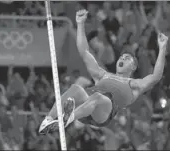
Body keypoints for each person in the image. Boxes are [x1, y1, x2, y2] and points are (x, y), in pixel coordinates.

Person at [39, 9, 168, 134]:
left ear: (133, 67)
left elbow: (156, 76)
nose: (122, 58)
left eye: (127, 58)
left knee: (99, 97)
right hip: (86, 107)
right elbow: (84, 52)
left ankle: (66, 120)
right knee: (76, 89)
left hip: (102, 113)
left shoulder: (134, 84)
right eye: (122, 56)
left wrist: (162, 48)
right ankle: (48, 120)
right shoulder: (103, 75)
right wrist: (80, 24)